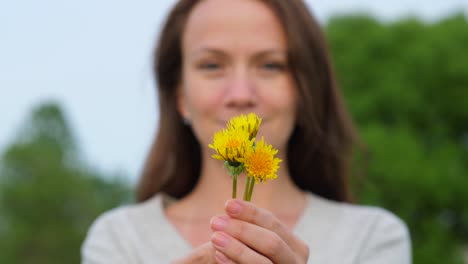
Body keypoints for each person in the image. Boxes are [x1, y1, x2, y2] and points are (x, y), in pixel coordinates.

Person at [81, 0, 412, 263]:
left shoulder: (372, 238)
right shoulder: (119, 239)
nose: (240, 94)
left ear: (304, 90)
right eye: (212, 65)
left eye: (270, 65)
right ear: (180, 97)